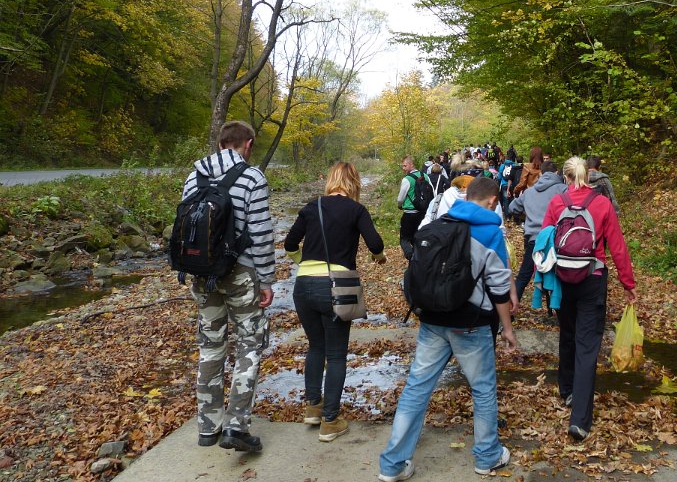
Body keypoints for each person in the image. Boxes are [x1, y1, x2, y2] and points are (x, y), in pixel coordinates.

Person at [378, 177, 517, 482]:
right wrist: (507, 328)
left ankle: (392, 465)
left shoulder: (439, 223)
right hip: (471, 324)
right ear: (493, 201)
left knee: (417, 387)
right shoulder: (489, 232)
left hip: (433, 319)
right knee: (482, 389)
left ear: (466, 197)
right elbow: (498, 287)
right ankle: (487, 457)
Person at [183, 121, 275, 453]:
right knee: (249, 344)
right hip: (240, 274)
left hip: (202, 274)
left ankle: (208, 426)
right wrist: (266, 280)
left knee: (210, 346)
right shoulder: (252, 177)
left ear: (221, 143)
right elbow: (261, 233)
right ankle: (236, 426)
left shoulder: (194, 176)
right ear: (247, 144)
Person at [284, 161, 387, 442]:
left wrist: (303, 263)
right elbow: (376, 244)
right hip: (336, 287)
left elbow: (289, 244)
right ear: (354, 182)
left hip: (303, 285)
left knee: (316, 346)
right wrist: (378, 258)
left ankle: (313, 407)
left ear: (331, 180)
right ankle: (330, 421)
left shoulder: (312, 206)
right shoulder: (356, 210)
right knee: (337, 354)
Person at [541, 156, 636, 443]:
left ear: (566, 177)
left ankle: (566, 389)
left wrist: (542, 282)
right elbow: (617, 247)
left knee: (567, 332)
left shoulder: (556, 202)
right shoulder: (602, 203)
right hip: (592, 279)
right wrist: (628, 284)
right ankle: (580, 421)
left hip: (562, 278)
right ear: (588, 175)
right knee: (587, 345)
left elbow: (544, 241)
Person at [508, 159, 566, 301]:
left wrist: (526, 215)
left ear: (541, 173)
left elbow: (512, 208)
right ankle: (559, 308)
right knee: (560, 275)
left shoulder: (529, 192)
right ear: (557, 172)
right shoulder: (563, 190)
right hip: (556, 239)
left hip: (534, 239)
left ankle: (511, 306)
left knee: (523, 275)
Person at [397, 156, 426, 260]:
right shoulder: (425, 176)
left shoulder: (407, 179)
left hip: (409, 213)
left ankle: (411, 258)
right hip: (423, 213)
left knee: (404, 240)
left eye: (405, 166)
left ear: (411, 164)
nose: (403, 168)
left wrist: (399, 205)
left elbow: (400, 198)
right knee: (416, 237)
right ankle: (419, 259)